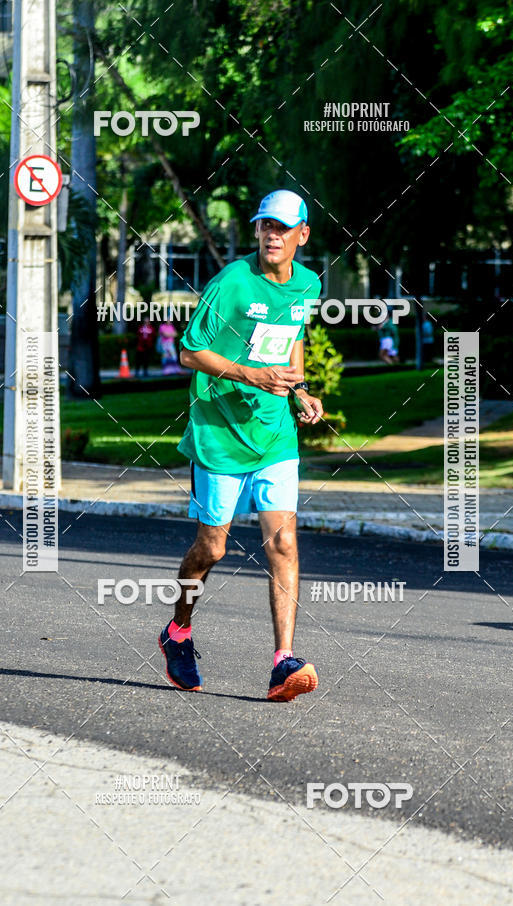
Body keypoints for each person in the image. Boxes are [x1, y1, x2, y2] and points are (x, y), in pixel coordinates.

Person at [158, 189, 323, 702]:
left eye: (281, 227)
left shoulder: (309, 284)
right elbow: (189, 351)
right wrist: (250, 373)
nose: (271, 235)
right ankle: (178, 631)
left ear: (302, 234)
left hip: (274, 434)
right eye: (264, 226)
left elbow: (291, 335)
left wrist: (298, 389)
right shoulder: (231, 282)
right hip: (218, 432)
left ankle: (282, 662)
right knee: (213, 547)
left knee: (284, 543)